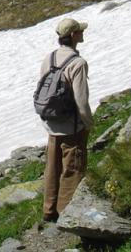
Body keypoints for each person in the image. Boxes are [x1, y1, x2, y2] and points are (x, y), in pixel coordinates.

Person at [39, 17, 93, 223]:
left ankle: (49, 209)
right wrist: (87, 122)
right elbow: (81, 99)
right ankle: (67, 214)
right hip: (71, 127)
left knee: (52, 168)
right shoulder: (78, 63)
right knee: (72, 169)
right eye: (79, 31)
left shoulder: (49, 58)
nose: (82, 33)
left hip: (51, 124)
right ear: (73, 36)